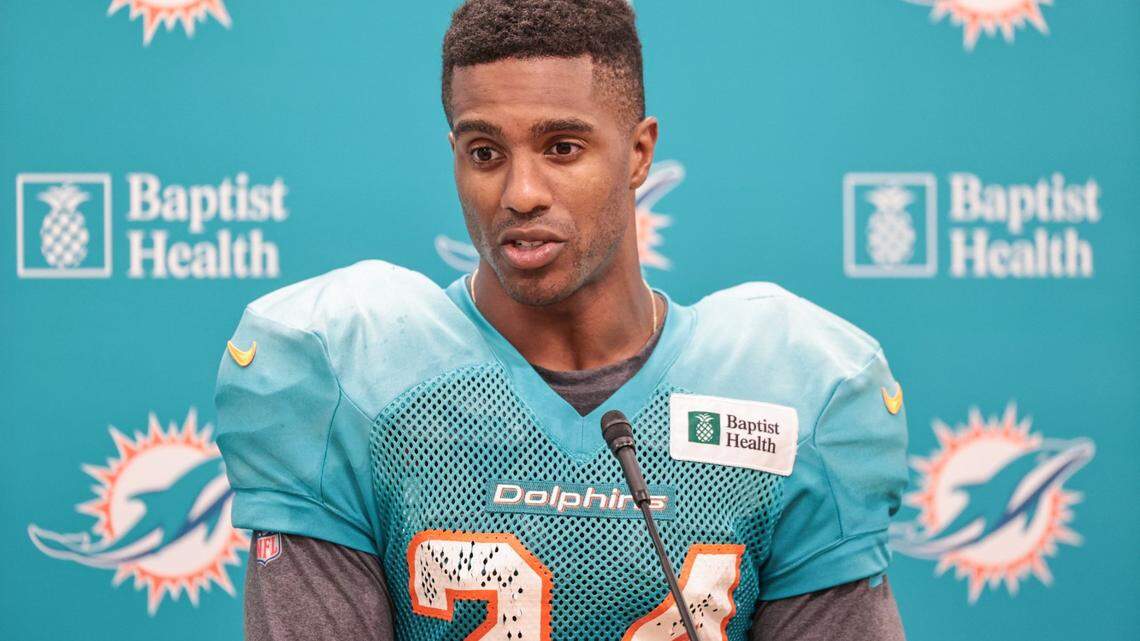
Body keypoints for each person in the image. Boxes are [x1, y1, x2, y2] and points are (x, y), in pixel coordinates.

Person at [215, 1, 909, 639]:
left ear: (639, 152)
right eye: (485, 152)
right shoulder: (348, 373)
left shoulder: (788, 389)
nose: (520, 193)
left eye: (562, 148)